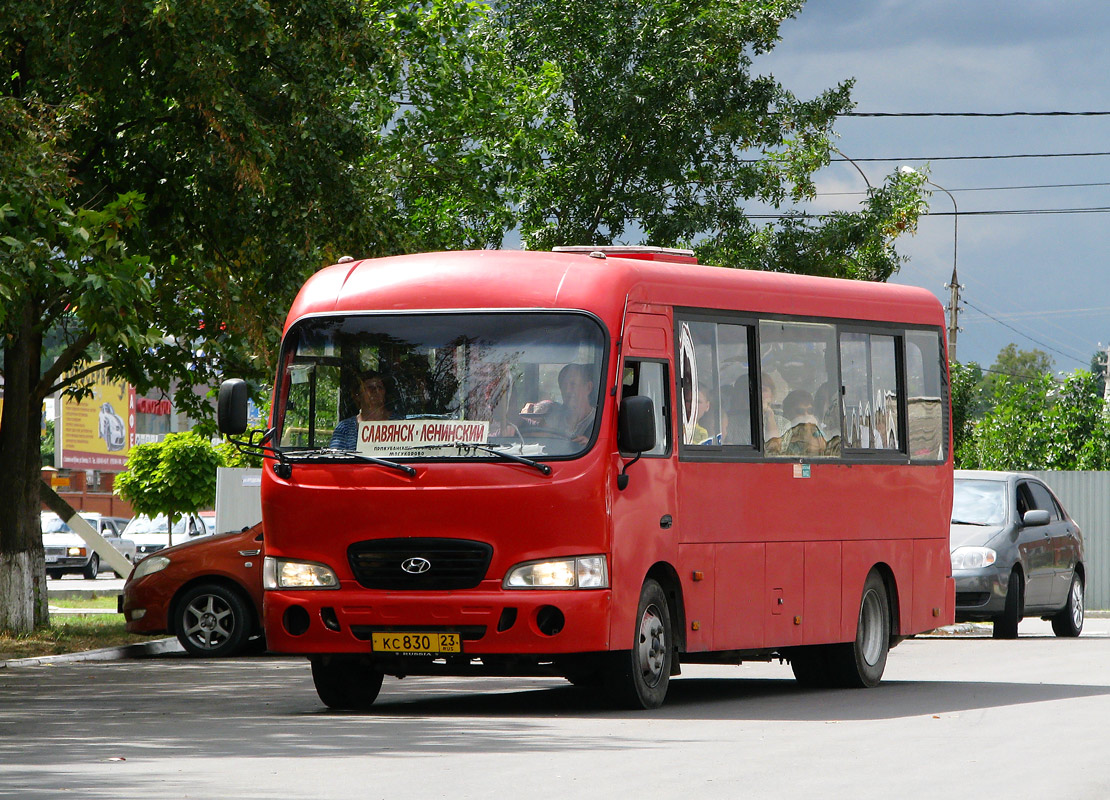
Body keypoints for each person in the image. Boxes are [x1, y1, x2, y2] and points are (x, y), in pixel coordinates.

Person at [329, 370, 395, 449]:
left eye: (380, 387)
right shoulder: (344, 428)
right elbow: (336, 459)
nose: (376, 391)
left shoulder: (399, 422)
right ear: (357, 395)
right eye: (370, 388)